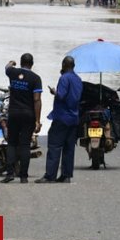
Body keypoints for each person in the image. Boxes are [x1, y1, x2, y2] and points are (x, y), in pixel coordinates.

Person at [37, 55, 82, 183]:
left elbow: (61, 96)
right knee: (69, 147)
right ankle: (66, 175)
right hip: (74, 117)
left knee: (55, 146)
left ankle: (50, 175)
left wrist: (53, 92)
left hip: (62, 116)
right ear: (73, 66)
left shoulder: (64, 78)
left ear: (63, 65)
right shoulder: (78, 79)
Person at [3, 53, 42, 183]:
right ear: (32, 64)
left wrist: (11, 62)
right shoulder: (36, 78)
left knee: (12, 143)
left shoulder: (13, 73)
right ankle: (23, 176)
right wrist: (37, 120)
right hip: (28, 114)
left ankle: (9, 174)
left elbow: (7, 67)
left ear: (21, 63)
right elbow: (37, 99)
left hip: (13, 113)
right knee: (25, 144)